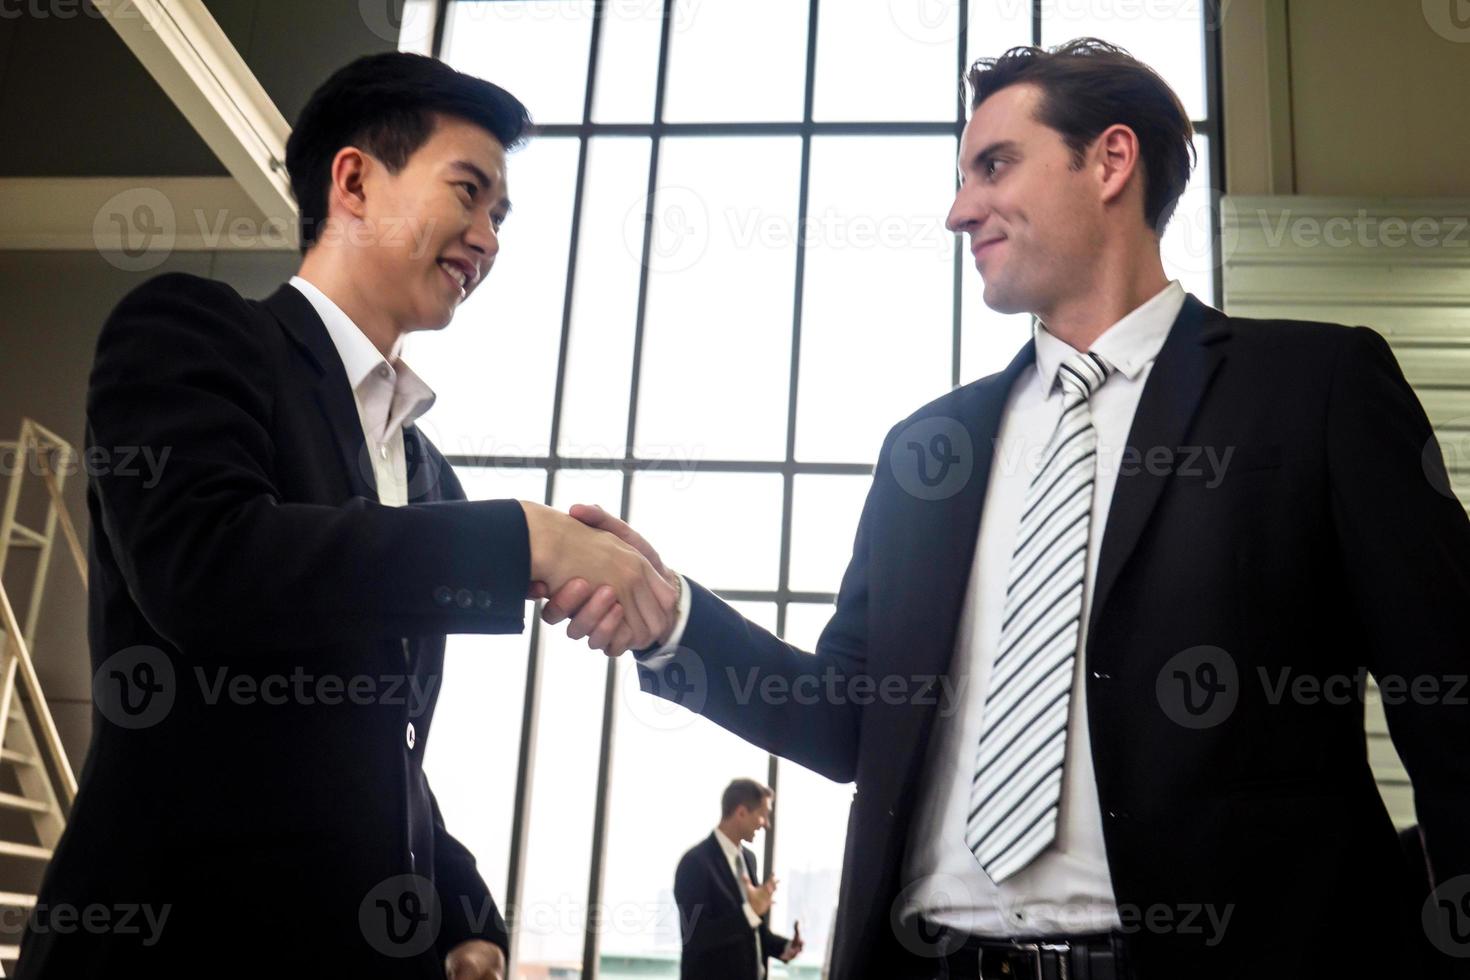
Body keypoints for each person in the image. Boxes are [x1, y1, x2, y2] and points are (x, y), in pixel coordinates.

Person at [541, 39, 1470, 980]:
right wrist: (675, 622)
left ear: (1111, 161)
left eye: (994, 166)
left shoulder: (1315, 389)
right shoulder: (928, 451)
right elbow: (847, 722)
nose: (958, 210)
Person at [16, 52, 674, 980]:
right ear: (355, 179)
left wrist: (461, 911)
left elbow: (383, 745)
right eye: (469, 191)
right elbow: (208, 569)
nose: (487, 238)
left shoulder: (427, 474)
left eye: (501, 215)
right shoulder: (192, 330)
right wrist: (523, 537)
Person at [673, 779, 804, 980]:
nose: (766, 824)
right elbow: (697, 936)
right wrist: (751, 912)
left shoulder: (749, 860)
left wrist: (785, 948)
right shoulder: (694, 863)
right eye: (763, 815)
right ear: (741, 812)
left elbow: (751, 931)